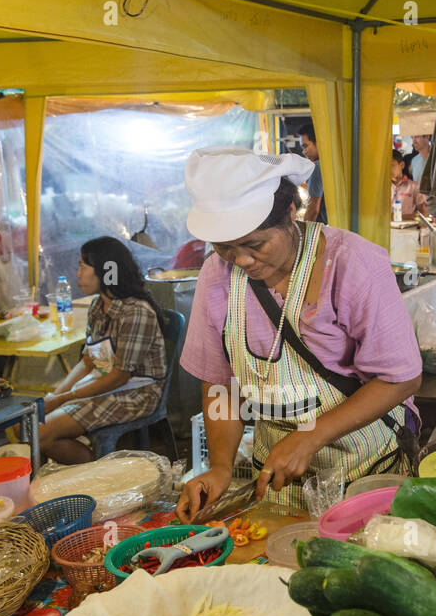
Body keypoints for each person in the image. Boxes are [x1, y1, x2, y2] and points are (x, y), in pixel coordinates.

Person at [175, 147, 422, 520]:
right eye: (226, 248)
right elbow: (221, 383)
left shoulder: (351, 263)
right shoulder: (217, 276)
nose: (241, 260)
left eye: (255, 244)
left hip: (365, 472)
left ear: (291, 213)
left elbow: (400, 379)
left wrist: (311, 435)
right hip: (276, 484)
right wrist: (221, 467)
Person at [37, 236, 167, 465]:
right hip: (104, 384)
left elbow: (119, 376)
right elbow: (88, 362)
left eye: (83, 267)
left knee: (40, 433)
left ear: (107, 271)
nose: (77, 273)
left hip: (136, 394)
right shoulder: (98, 306)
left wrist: (63, 399)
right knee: (30, 426)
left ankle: (100, 475)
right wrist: (55, 396)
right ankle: (96, 468)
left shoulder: (135, 312)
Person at [298, 123, 327, 225]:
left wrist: (302, 233)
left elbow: (313, 209)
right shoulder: (329, 164)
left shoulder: (317, 167)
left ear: (318, 143)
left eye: (305, 146)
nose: (304, 152)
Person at [391, 150, 428, 219]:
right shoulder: (380, 187)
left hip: (407, 227)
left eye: (391, 165)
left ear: (402, 165)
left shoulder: (414, 187)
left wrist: (399, 217)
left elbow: (423, 214)